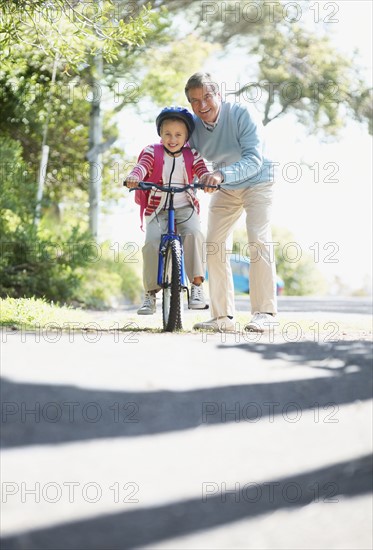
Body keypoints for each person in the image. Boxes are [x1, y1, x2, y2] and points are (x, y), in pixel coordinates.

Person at [184, 72, 277, 333]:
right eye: (195, 101)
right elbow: (184, 156)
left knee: (257, 237)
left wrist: (220, 175)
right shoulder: (194, 127)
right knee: (213, 243)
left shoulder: (241, 114)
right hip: (225, 186)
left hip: (258, 180)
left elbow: (254, 159)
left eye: (207, 97)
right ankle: (222, 318)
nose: (202, 106)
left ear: (219, 95)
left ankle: (265, 313)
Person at [124, 106, 210, 315]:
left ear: (187, 136)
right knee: (152, 243)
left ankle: (197, 287)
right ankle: (150, 295)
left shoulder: (193, 155)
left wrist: (208, 180)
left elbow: (203, 171)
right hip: (157, 209)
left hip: (185, 207)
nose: (173, 139)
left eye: (178, 134)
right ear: (160, 134)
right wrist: (134, 177)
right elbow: (141, 167)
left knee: (194, 235)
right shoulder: (152, 151)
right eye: (167, 134)